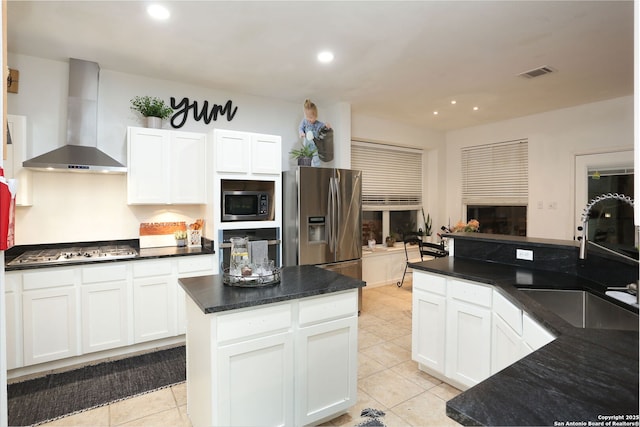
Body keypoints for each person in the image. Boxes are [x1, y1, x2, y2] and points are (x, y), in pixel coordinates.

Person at [298, 99, 331, 166]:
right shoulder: (305, 121)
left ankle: (316, 170)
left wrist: (327, 126)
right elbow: (300, 128)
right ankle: (306, 169)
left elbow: (324, 126)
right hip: (307, 146)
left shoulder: (318, 124)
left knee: (316, 159)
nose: (309, 119)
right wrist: (301, 133)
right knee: (306, 159)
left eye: (311, 117)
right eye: (307, 117)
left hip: (316, 147)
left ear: (316, 116)